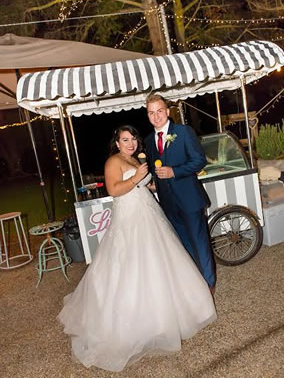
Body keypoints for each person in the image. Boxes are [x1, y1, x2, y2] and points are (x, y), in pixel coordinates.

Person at [57, 125, 216, 372]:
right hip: (130, 219)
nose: (130, 143)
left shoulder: (134, 159)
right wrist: (135, 177)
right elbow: (114, 190)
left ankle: (171, 312)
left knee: (161, 259)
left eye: (133, 139)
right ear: (117, 143)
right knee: (131, 264)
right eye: (125, 140)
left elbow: (144, 185)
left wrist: (150, 184)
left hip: (148, 212)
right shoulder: (113, 161)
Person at [144, 94, 216, 292]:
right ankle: (195, 282)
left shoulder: (184, 132)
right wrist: (154, 183)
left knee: (200, 242)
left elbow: (199, 161)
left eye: (160, 111)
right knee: (183, 243)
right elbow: (154, 168)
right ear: (148, 115)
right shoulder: (149, 140)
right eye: (151, 113)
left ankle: (209, 284)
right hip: (167, 202)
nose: (156, 116)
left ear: (167, 111)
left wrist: (174, 171)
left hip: (189, 198)